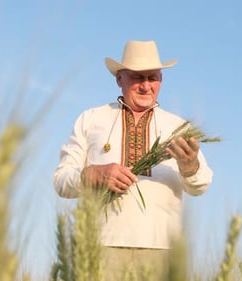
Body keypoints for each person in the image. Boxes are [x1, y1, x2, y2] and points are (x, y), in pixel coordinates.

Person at [53, 40, 213, 280]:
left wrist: (190, 166)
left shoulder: (178, 127)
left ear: (161, 79)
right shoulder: (91, 119)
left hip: (164, 251)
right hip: (99, 247)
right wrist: (94, 174)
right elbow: (61, 180)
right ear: (120, 78)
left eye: (153, 77)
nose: (146, 86)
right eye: (137, 77)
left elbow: (200, 185)